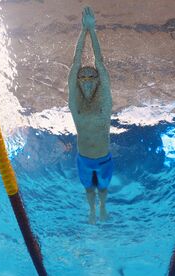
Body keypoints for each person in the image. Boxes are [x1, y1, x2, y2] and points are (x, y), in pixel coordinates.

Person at [68, 7, 113, 224]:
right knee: (89, 190)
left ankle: (102, 207)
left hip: (104, 158)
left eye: (91, 75)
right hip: (84, 158)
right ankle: (92, 211)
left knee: (102, 189)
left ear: (98, 80)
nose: (86, 79)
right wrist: (83, 30)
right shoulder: (75, 101)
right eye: (82, 76)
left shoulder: (104, 99)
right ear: (77, 81)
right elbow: (75, 64)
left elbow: (101, 63)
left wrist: (91, 30)